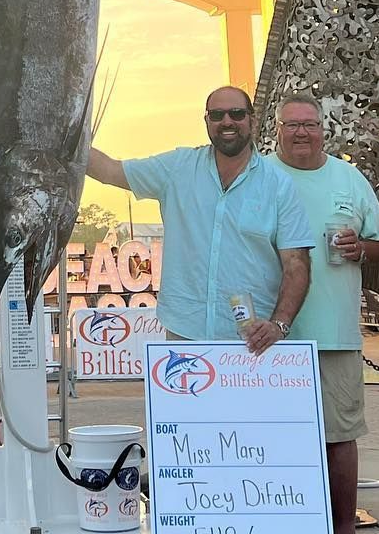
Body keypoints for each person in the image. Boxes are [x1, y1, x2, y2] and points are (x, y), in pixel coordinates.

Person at [267, 94, 379, 534]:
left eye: (310, 124)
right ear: (277, 129)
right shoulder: (260, 176)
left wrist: (361, 246)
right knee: (274, 439)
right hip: (273, 335)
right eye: (292, 124)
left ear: (325, 129)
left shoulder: (348, 177)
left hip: (336, 333)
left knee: (339, 438)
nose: (302, 132)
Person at [88, 85, 313, 350]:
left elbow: (297, 264)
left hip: (253, 339)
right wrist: (60, 139)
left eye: (236, 114)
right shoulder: (177, 169)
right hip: (185, 333)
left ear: (252, 119)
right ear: (206, 121)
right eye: (217, 115)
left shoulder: (278, 185)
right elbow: (110, 172)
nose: (227, 121)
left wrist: (279, 325)